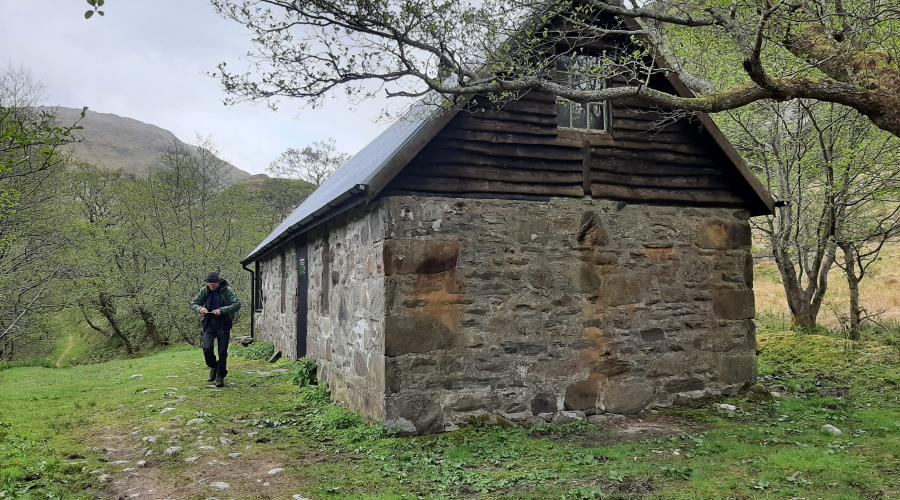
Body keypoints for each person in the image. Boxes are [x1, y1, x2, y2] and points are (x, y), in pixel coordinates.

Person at [190, 272, 241, 387]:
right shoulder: (205, 290)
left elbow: (237, 304)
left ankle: (220, 375)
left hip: (223, 324)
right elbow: (194, 303)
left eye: (213, 284)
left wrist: (222, 310)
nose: (211, 286)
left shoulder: (227, 290)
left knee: (222, 351)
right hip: (208, 323)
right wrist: (200, 308)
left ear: (218, 282)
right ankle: (214, 366)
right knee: (207, 348)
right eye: (209, 284)